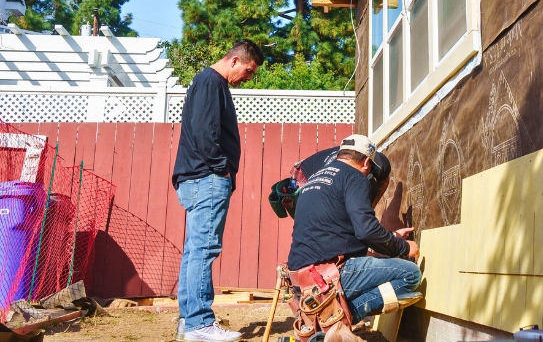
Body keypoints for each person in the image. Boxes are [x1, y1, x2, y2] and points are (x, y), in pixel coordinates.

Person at [171, 40, 263, 342]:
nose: (248, 78)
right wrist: (220, 167)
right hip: (206, 178)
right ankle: (199, 324)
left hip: (198, 178)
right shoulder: (211, 82)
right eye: (248, 71)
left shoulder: (207, 83)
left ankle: (188, 320)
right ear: (235, 60)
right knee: (204, 249)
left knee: (194, 250)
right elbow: (203, 131)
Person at [288, 135, 422, 324]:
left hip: (301, 282)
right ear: (367, 161)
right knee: (410, 274)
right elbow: (366, 231)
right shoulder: (355, 176)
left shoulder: (313, 180)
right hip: (327, 278)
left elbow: (340, 235)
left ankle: (324, 316)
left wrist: (390, 236)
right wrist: (404, 247)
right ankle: (333, 319)